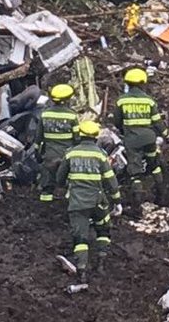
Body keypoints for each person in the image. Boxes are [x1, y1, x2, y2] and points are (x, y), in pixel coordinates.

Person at [55, 120, 121, 284]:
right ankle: (101, 263)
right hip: (98, 202)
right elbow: (110, 180)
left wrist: (68, 187)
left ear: (80, 134)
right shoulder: (100, 155)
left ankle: (82, 270)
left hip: (77, 203)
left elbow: (59, 178)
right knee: (103, 230)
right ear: (95, 136)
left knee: (80, 238)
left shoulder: (71, 154)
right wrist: (117, 200)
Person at [111, 68, 169, 215]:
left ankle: (137, 206)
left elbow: (117, 121)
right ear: (143, 83)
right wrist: (166, 133)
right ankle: (162, 197)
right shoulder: (148, 100)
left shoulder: (122, 100)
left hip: (132, 140)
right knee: (154, 165)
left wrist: (124, 131)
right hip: (149, 138)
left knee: (135, 172)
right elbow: (157, 121)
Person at [32, 83, 79, 203]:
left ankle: (46, 201)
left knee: (48, 178)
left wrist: (37, 150)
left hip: (50, 154)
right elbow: (77, 137)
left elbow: (38, 136)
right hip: (66, 153)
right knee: (67, 176)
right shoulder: (72, 115)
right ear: (66, 100)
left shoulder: (45, 114)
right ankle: (65, 198)